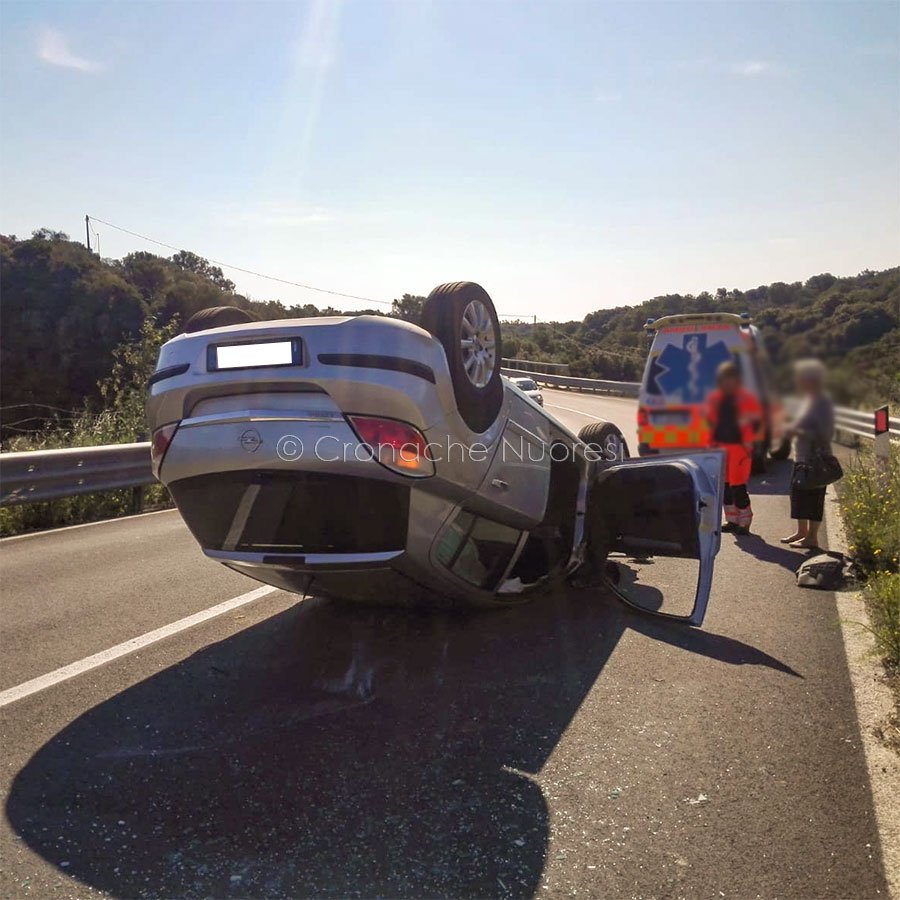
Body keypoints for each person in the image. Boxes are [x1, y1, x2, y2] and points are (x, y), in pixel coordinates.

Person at [781, 359, 834, 549]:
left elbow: (825, 431)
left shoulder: (822, 402)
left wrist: (798, 431)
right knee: (798, 496)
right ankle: (801, 532)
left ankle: (811, 538)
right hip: (802, 459)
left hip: (815, 461)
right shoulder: (809, 400)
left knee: (814, 499)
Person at [705, 361, 763, 535]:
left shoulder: (746, 398)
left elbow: (755, 423)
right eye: (724, 379)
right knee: (725, 487)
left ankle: (745, 521)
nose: (727, 382)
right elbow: (710, 423)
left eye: (730, 379)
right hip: (720, 448)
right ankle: (731, 519)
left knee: (738, 487)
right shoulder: (716, 398)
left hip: (739, 449)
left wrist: (748, 443)